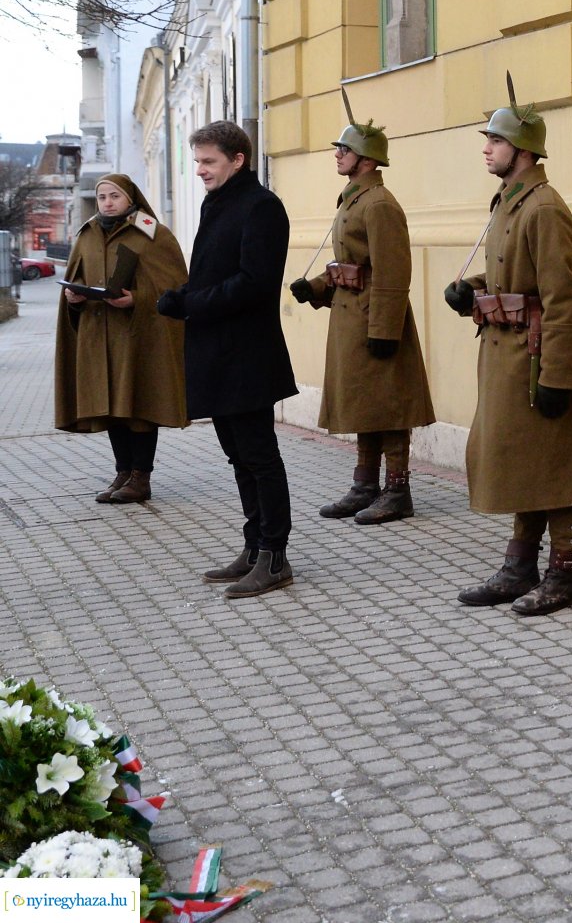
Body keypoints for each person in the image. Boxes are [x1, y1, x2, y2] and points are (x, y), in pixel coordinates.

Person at [444, 76, 572, 616]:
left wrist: (560, 374)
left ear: (521, 149)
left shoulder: (543, 208)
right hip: (506, 353)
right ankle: (520, 566)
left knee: (553, 461)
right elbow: (511, 277)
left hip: (538, 355)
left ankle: (563, 574)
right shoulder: (511, 202)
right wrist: (468, 291)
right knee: (524, 460)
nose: (486, 148)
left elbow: (564, 297)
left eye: (494, 140)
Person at [156, 122, 300, 599]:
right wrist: (181, 296)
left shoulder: (261, 207)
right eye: (197, 162)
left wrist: (193, 303)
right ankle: (253, 544)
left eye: (208, 161)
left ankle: (274, 557)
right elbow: (215, 272)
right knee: (237, 455)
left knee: (260, 457)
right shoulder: (219, 203)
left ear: (238, 159)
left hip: (247, 355)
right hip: (217, 353)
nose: (199, 170)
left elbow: (255, 282)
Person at [290, 94, 435, 524]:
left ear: (368, 160)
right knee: (366, 403)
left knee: (389, 406)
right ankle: (365, 485)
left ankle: (397, 491)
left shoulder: (379, 205)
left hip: (374, 317)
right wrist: (314, 287)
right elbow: (351, 266)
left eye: (345, 149)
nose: (337, 154)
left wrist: (385, 329)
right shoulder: (354, 199)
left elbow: (391, 272)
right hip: (351, 316)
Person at [53, 174, 188, 504]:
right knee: (112, 406)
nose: (108, 202)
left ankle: (141, 476)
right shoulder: (86, 234)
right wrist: (74, 297)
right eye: (102, 197)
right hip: (98, 337)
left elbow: (175, 288)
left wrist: (137, 299)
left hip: (138, 337)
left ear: (131, 198)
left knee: (137, 406)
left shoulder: (151, 233)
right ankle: (123, 471)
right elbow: (76, 277)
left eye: (114, 196)